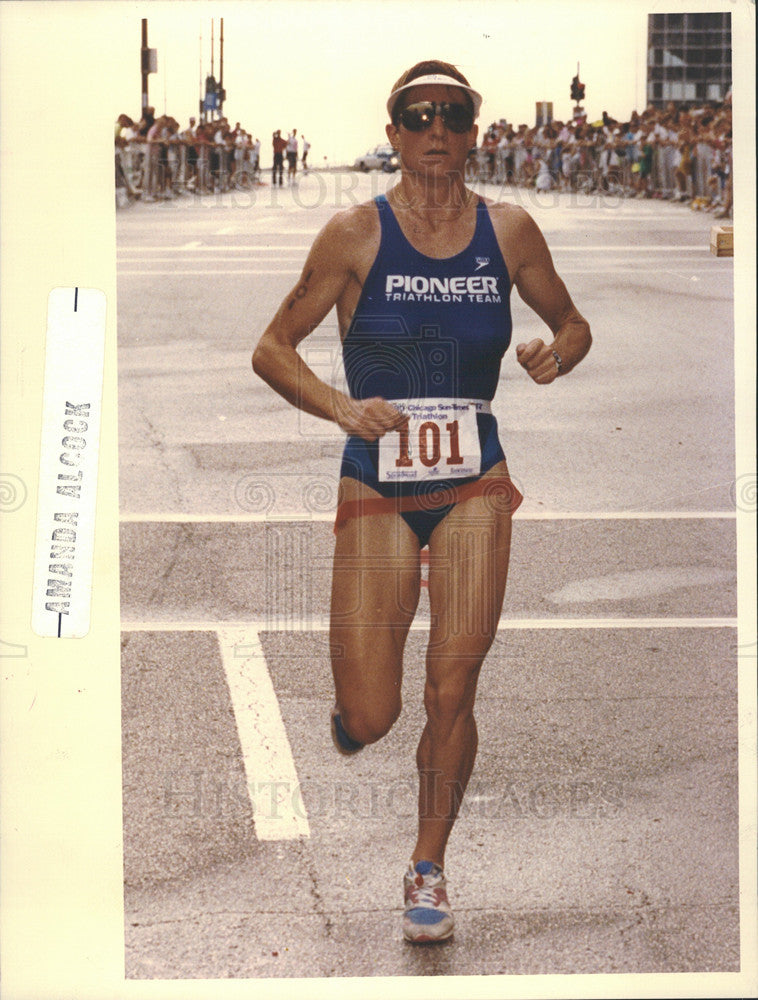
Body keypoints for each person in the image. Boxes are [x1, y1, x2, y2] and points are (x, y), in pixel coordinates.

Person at [252, 59, 591, 944]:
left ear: (475, 130)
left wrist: (561, 351)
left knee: (453, 685)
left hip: (475, 480)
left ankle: (429, 866)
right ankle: (353, 718)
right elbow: (272, 347)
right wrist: (338, 405)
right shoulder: (352, 235)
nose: (436, 130)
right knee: (375, 713)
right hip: (379, 481)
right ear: (394, 129)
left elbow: (573, 321)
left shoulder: (510, 231)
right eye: (418, 115)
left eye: (454, 116)